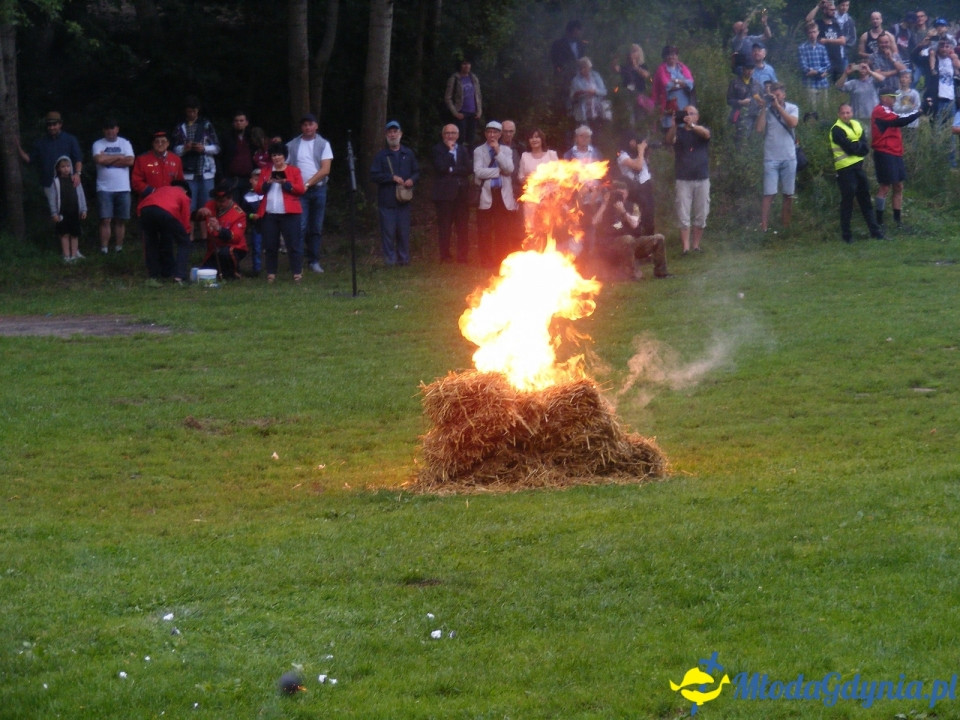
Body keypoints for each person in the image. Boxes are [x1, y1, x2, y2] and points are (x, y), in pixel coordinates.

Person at [591, 181, 669, 280]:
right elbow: (595, 223)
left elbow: (635, 225)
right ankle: (631, 274)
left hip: (634, 242)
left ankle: (661, 272)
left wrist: (623, 212)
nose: (620, 197)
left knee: (659, 238)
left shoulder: (632, 206)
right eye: (618, 194)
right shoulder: (606, 208)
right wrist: (605, 204)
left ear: (627, 193)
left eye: (623, 194)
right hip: (613, 246)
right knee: (628, 239)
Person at [830, 103, 884, 242]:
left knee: (865, 200)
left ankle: (875, 231)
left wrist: (858, 146)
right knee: (847, 202)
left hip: (858, 168)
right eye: (843, 113)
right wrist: (858, 146)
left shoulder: (857, 125)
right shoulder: (836, 129)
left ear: (852, 113)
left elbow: (865, 146)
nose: (846, 115)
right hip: (845, 170)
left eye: (848, 112)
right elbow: (850, 148)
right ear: (838, 114)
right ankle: (847, 235)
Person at [286, 113, 333, 274]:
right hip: (299, 192)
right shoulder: (292, 145)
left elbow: (325, 169)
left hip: (319, 190)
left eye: (310, 124)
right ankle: (297, 262)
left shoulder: (323, 144)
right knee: (300, 226)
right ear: (301, 127)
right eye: (305, 125)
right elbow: (285, 166)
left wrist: (308, 183)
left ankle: (314, 261)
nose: (307, 127)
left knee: (316, 227)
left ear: (316, 126)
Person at [870, 90, 922, 230]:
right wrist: (918, 112)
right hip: (884, 152)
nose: (894, 99)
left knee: (898, 186)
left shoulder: (890, 110)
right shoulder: (880, 110)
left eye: (894, 97)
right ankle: (879, 222)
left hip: (895, 152)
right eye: (891, 97)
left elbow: (900, 118)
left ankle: (897, 221)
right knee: (885, 186)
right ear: (883, 97)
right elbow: (900, 121)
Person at [254, 141, 305, 283]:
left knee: (293, 244)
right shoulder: (265, 171)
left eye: (279, 155)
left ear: (285, 156)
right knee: (270, 245)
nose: (276, 158)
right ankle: (271, 273)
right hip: (270, 212)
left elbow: (300, 189)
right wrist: (268, 183)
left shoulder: (294, 170)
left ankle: (297, 272)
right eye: (274, 155)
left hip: (290, 213)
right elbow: (258, 189)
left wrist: (285, 183)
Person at [370, 120, 419, 266]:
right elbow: (374, 175)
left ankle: (403, 260)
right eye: (390, 132)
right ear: (386, 135)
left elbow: (417, 172)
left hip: (404, 201)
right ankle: (390, 261)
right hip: (387, 201)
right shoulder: (381, 156)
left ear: (400, 134)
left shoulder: (408, 153)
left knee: (403, 233)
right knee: (388, 233)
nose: (392, 134)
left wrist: (412, 180)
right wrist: (391, 178)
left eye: (395, 131)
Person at [666, 105, 711, 254]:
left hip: (702, 178)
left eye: (692, 114)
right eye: (686, 113)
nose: (688, 116)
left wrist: (692, 125)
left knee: (701, 213)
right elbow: (668, 140)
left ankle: (696, 245)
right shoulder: (678, 132)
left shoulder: (701, 130)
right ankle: (685, 247)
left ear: (697, 116)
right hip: (683, 178)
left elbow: (706, 135)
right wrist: (673, 125)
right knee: (683, 213)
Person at [754, 83, 799, 232]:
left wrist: (779, 107)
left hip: (789, 157)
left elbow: (792, 123)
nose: (776, 98)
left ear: (783, 95)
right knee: (769, 193)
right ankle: (764, 227)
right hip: (771, 157)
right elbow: (759, 129)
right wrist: (764, 108)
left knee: (788, 193)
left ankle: (786, 226)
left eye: (778, 95)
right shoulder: (767, 110)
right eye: (774, 95)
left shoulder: (792, 108)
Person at [473, 120, 517, 268]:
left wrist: (498, 151)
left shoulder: (506, 150)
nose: (492, 135)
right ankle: (485, 260)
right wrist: (498, 172)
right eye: (489, 132)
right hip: (486, 195)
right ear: (485, 134)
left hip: (502, 196)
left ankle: (501, 260)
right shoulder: (478, 151)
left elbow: (509, 169)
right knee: (484, 230)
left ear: (500, 134)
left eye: (495, 132)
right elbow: (478, 172)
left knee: (502, 230)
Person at [173, 96, 220, 222]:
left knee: (208, 207)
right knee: (188, 207)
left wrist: (203, 149)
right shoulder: (180, 127)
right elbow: (174, 150)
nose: (192, 114)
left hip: (206, 172)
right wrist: (185, 148)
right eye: (189, 111)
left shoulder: (206, 125)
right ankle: (189, 236)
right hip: (188, 173)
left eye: (194, 111)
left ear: (198, 111)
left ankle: (207, 236)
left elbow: (217, 148)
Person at [91, 118, 134, 254]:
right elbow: (98, 159)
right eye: (107, 128)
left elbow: (130, 161)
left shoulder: (125, 143)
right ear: (104, 130)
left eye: (113, 128)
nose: (110, 131)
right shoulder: (98, 144)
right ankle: (104, 249)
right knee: (105, 219)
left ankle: (119, 248)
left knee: (121, 220)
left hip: (123, 187)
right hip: (104, 188)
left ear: (117, 129)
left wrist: (107, 160)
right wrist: (120, 157)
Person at [430, 124, 472, 263]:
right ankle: (445, 256)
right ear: (443, 135)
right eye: (447, 133)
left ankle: (463, 256)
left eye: (453, 133)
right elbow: (440, 168)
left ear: (458, 135)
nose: (450, 135)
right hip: (444, 195)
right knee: (445, 226)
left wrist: (451, 170)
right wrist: (449, 152)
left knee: (462, 226)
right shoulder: (437, 149)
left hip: (462, 194)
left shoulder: (463, 150)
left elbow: (468, 169)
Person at [138, 180, 192, 285]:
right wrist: (186, 234)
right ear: (186, 191)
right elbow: (185, 219)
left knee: (151, 243)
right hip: (166, 212)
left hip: (145, 210)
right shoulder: (184, 196)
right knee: (184, 243)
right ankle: (179, 276)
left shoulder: (162, 189)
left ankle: (154, 275)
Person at [17, 111, 82, 195]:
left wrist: (77, 174)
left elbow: (78, 159)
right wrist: (17, 147)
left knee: (69, 207)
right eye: (49, 125)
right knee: (52, 208)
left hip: (68, 183)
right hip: (49, 185)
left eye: (54, 124)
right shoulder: (41, 142)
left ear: (60, 124)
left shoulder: (70, 140)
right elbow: (29, 158)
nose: (51, 127)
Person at [196, 181, 248, 279]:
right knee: (204, 271)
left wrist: (219, 229)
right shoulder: (210, 205)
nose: (219, 204)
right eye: (217, 200)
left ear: (230, 198)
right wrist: (199, 212)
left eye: (222, 201)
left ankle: (235, 272)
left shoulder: (239, 214)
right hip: (214, 248)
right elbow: (196, 218)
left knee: (226, 253)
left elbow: (235, 238)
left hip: (234, 247)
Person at [45, 156, 87, 262]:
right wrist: (54, 213)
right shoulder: (55, 182)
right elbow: (52, 199)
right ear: (58, 168)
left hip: (75, 212)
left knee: (74, 234)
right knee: (64, 234)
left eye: (68, 166)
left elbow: (81, 195)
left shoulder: (75, 180)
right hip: (62, 213)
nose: (66, 169)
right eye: (63, 167)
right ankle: (66, 256)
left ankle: (74, 255)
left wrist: (83, 209)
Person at [518, 128, 559, 234]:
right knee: (532, 229)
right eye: (531, 137)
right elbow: (520, 176)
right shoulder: (525, 156)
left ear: (542, 139)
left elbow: (559, 176)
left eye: (537, 137)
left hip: (549, 197)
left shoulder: (551, 155)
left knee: (548, 229)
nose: (534, 139)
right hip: (531, 199)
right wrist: (529, 179)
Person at [615, 133, 655, 237]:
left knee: (649, 216)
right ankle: (637, 239)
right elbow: (638, 166)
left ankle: (649, 241)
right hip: (633, 189)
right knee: (637, 216)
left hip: (645, 186)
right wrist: (641, 151)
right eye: (632, 141)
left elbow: (645, 164)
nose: (634, 144)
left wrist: (645, 151)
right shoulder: (622, 155)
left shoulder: (638, 153)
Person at [653, 45, 695, 132]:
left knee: (684, 128)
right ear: (665, 57)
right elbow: (667, 85)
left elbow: (690, 83)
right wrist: (682, 83)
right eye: (669, 54)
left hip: (684, 104)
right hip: (669, 105)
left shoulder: (682, 67)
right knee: (671, 129)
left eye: (674, 54)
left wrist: (676, 81)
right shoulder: (661, 69)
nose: (672, 57)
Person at [132, 130, 183, 198]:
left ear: (168, 143)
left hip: (170, 200)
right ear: (152, 144)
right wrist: (153, 191)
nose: (160, 144)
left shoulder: (176, 159)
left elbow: (180, 181)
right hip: (149, 199)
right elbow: (136, 181)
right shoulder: (142, 159)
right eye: (157, 142)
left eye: (163, 141)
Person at [444, 59, 483, 149]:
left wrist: (479, 111)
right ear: (460, 65)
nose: (467, 66)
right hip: (461, 112)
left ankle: (470, 160)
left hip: (473, 113)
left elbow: (478, 95)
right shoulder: (454, 78)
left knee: (471, 139)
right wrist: (455, 113)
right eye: (464, 64)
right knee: (460, 138)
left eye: (468, 63)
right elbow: (448, 97)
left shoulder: (473, 78)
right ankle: (458, 158)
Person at [836, 62, 883, 131]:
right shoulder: (853, 83)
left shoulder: (873, 81)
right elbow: (838, 86)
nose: (862, 70)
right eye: (860, 68)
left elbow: (882, 79)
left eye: (864, 68)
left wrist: (869, 71)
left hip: (873, 115)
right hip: (858, 116)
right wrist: (846, 73)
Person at [220, 110, 255, 202]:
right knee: (233, 206)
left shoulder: (252, 137)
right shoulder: (226, 137)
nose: (239, 123)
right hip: (231, 179)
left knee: (249, 205)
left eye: (241, 120)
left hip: (249, 179)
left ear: (246, 123)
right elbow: (219, 157)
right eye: (236, 121)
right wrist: (222, 178)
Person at [569, 57, 609, 135]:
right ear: (580, 69)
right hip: (583, 114)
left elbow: (604, 92)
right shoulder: (576, 80)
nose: (586, 70)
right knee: (585, 135)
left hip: (598, 112)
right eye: (583, 68)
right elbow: (572, 96)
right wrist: (583, 92)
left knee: (598, 135)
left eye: (588, 67)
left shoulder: (596, 76)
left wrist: (595, 92)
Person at [726, 59, 762, 144]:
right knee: (740, 141)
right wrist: (740, 102)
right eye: (748, 69)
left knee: (753, 142)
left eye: (752, 69)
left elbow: (761, 98)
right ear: (743, 69)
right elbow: (729, 100)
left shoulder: (757, 84)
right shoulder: (735, 83)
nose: (750, 72)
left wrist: (761, 103)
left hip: (755, 117)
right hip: (739, 117)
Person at [799, 24, 831, 112]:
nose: (812, 34)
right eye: (810, 32)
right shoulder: (802, 48)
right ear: (807, 34)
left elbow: (827, 64)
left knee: (824, 109)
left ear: (818, 33)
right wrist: (820, 72)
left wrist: (816, 72)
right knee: (811, 109)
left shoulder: (822, 48)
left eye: (814, 32)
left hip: (822, 83)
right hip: (810, 83)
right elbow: (803, 66)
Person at [619, 44, 652, 129]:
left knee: (640, 117)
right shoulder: (625, 66)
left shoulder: (643, 65)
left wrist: (636, 67)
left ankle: (641, 136)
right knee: (630, 118)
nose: (632, 54)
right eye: (631, 51)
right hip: (628, 94)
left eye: (635, 51)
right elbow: (617, 70)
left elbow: (646, 75)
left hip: (640, 93)